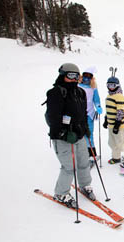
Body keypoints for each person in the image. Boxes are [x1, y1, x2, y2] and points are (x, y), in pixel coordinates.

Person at [46, 63, 96, 208]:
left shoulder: (80, 92)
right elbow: (53, 117)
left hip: (78, 135)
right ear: (63, 75)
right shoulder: (56, 92)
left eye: (76, 76)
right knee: (69, 167)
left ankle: (85, 185)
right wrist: (62, 133)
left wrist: (86, 129)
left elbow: (83, 113)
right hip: (63, 137)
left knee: (83, 162)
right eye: (71, 76)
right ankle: (61, 192)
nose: (74, 79)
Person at [103, 75, 124, 172]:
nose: (111, 87)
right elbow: (108, 110)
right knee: (112, 143)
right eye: (109, 85)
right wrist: (105, 119)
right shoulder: (109, 96)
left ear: (117, 85)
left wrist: (117, 124)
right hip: (111, 125)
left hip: (119, 125)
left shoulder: (119, 96)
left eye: (113, 85)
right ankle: (116, 157)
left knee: (122, 143)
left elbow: (120, 111)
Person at [78, 67, 102, 159]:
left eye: (89, 77)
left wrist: (98, 107)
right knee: (79, 133)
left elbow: (96, 100)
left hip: (89, 114)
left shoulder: (93, 88)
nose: (86, 79)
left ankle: (92, 154)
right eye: (85, 76)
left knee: (89, 134)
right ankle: (81, 153)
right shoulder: (77, 86)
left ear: (92, 78)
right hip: (78, 113)